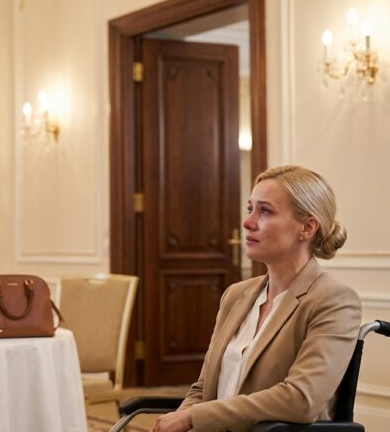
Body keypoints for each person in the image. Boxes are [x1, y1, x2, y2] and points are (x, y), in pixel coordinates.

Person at [151, 165, 362, 432]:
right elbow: (203, 389)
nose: (248, 222)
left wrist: (196, 417)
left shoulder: (333, 300)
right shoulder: (236, 295)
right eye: (250, 209)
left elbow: (301, 399)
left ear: (307, 227)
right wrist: (179, 420)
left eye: (265, 211)